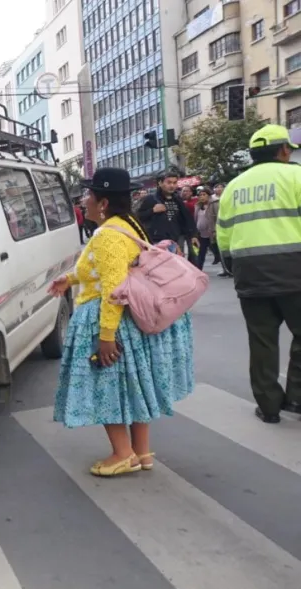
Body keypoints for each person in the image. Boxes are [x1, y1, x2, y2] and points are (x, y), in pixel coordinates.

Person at [49, 168, 195, 476]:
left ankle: (122, 453)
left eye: (88, 195)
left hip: (109, 321)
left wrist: (105, 337)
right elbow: (106, 270)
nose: (84, 201)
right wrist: (70, 278)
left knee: (108, 387)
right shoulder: (128, 225)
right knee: (133, 387)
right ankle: (141, 452)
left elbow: (113, 289)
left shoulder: (107, 236)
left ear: (102, 202)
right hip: (131, 321)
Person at [217, 124, 301, 423]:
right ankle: (297, 398)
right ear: (284, 150)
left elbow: (224, 239)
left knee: (262, 341)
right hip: (295, 272)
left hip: (250, 275)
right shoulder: (296, 175)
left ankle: (268, 407)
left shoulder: (233, 187)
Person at [136, 169, 199, 256]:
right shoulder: (150, 199)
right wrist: (152, 211)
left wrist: (193, 235)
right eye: (169, 183)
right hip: (157, 241)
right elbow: (138, 217)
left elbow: (187, 218)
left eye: (174, 183)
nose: (172, 186)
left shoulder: (178, 200)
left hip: (175, 241)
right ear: (160, 183)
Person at [192, 186, 219, 270]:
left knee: (217, 251)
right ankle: (199, 269)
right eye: (200, 195)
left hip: (212, 233)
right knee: (201, 253)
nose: (201, 197)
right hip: (201, 234)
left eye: (204, 195)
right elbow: (196, 219)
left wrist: (215, 230)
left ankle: (226, 269)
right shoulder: (197, 206)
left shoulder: (214, 204)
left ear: (209, 196)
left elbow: (217, 218)